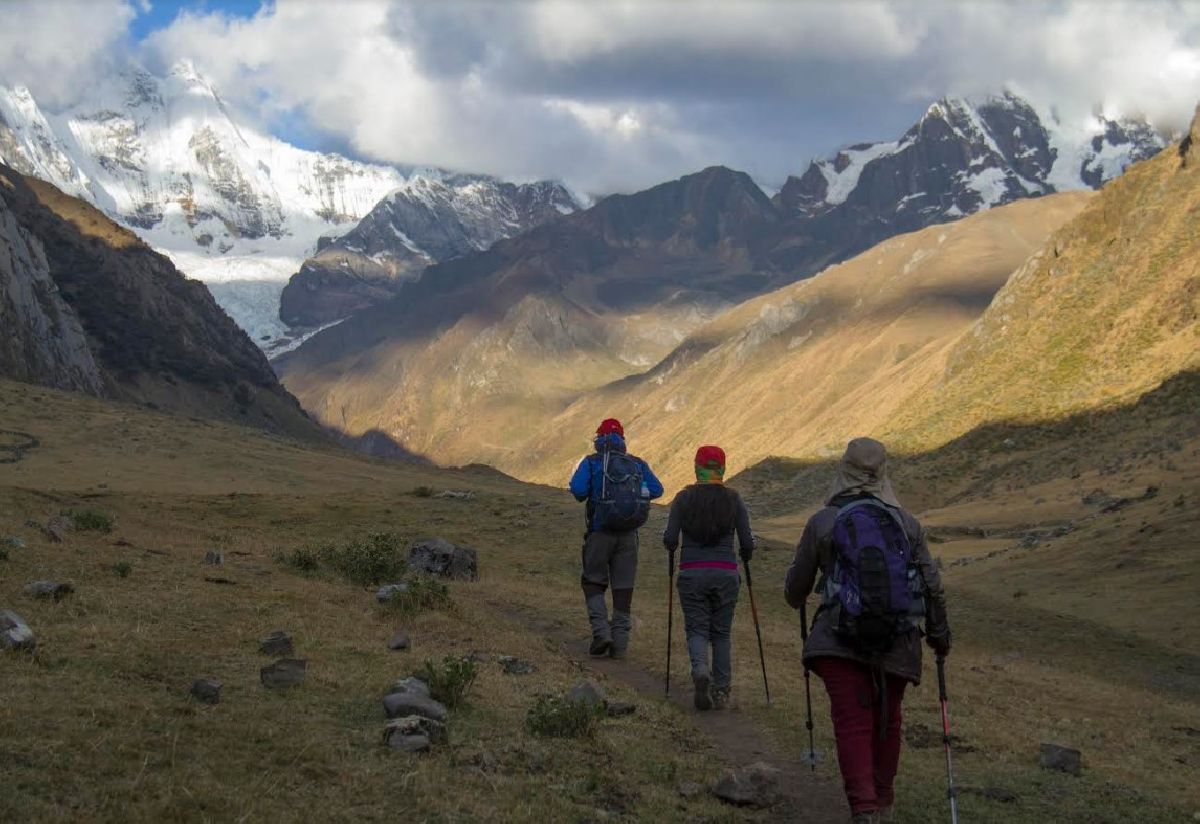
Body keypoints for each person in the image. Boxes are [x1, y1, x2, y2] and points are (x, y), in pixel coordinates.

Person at [784, 437, 951, 824]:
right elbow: (932, 584)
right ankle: (884, 804)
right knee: (888, 719)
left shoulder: (824, 521)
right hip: (898, 638)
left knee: (853, 721)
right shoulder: (907, 524)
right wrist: (940, 637)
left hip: (838, 640)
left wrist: (797, 595)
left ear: (843, 468)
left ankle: (863, 809)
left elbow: (797, 589)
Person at [663, 445, 755, 710]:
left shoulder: (683, 498)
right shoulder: (733, 499)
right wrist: (746, 554)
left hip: (692, 573)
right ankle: (722, 690)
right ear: (722, 468)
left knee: (697, 629)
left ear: (696, 467)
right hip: (725, 573)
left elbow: (670, 539)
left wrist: (671, 545)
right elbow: (747, 542)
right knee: (722, 633)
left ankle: (701, 670)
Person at [570, 418, 663, 658]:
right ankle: (620, 645)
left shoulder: (591, 462)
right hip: (629, 536)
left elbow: (579, 491)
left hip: (600, 532)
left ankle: (601, 632)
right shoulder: (636, 464)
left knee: (593, 581)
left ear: (598, 438)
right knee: (623, 588)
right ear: (622, 439)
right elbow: (657, 489)